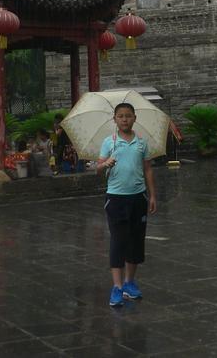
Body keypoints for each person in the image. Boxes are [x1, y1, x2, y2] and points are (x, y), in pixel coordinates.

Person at [97, 102, 157, 308]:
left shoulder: (141, 143)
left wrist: (152, 195)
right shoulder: (109, 142)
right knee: (118, 241)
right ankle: (117, 287)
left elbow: (148, 169)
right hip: (116, 199)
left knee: (136, 240)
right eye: (121, 116)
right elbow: (98, 168)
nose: (125, 119)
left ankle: (129, 282)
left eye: (128, 115)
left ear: (134, 118)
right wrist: (105, 164)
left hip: (138, 198)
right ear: (114, 119)